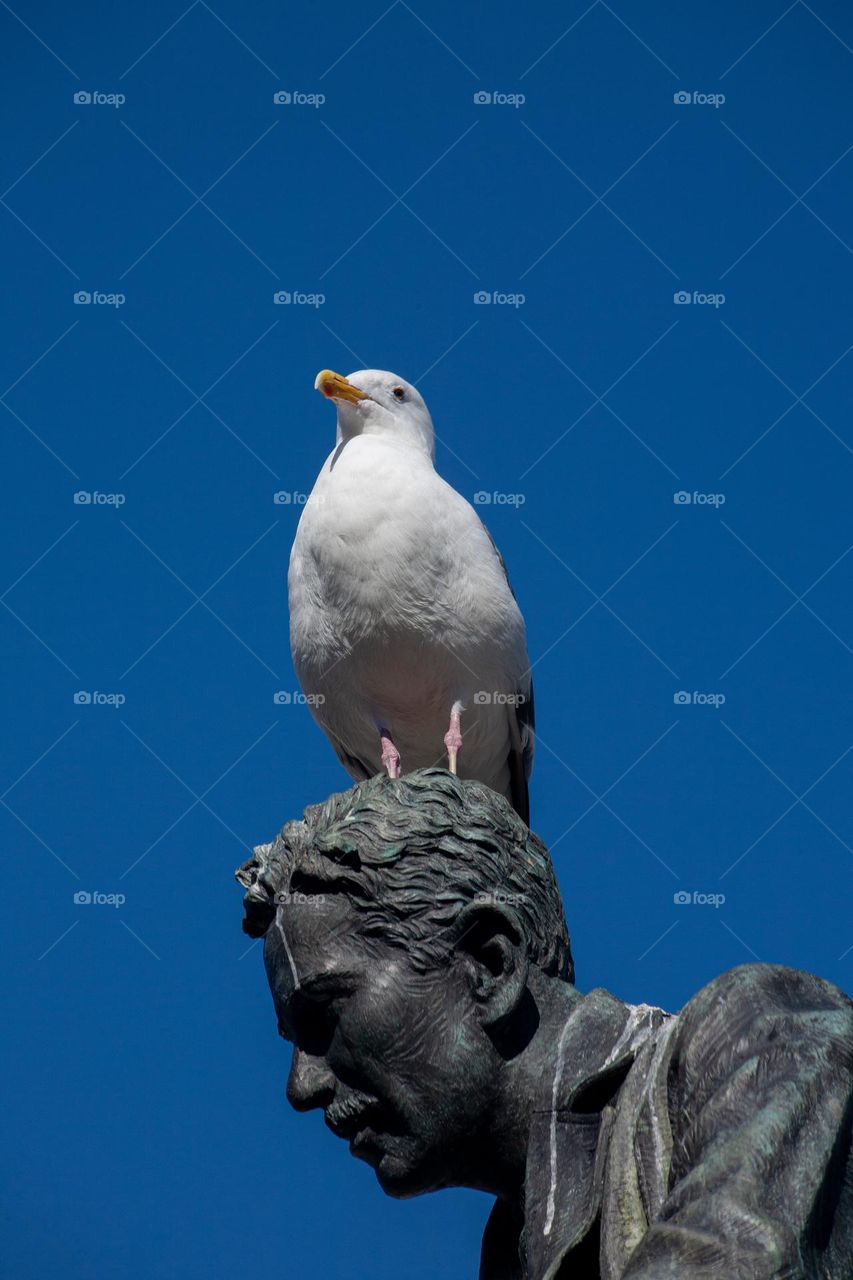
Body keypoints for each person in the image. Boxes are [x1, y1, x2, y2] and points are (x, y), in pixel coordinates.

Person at [237, 768, 853, 1279]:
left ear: (490, 964)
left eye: (324, 1015)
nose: (302, 1087)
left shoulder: (754, 1035)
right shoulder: (514, 1253)